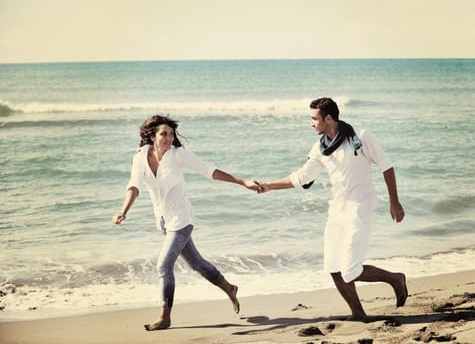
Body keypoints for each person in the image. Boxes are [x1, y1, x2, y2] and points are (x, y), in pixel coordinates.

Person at [256, 97, 407, 321]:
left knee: (350, 270)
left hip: (360, 208)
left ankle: (395, 279)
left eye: (314, 119)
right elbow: (302, 177)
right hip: (337, 210)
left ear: (328, 118)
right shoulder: (319, 148)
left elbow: (386, 166)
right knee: (334, 267)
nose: (311, 123)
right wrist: (269, 186)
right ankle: (358, 313)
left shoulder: (361, 137)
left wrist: (394, 201)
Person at [112, 115, 261, 331]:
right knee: (196, 263)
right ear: (152, 136)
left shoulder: (178, 155)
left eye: (171, 134)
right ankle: (230, 288)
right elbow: (134, 186)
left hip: (181, 219)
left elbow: (210, 171)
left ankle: (165, 317)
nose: (169, 138)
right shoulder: (139, 157)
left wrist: (243, 182)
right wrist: (123, 211)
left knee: (163, 265)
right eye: (164, 134)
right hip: (163, 220)